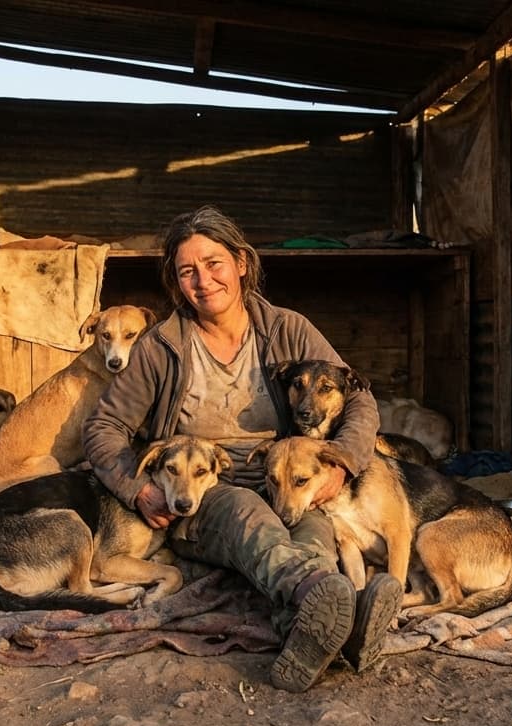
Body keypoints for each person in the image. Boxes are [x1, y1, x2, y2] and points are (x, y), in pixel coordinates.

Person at [82, 205, 402, 692]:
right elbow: (104, 426)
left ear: (241, 264)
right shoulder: (160, 345)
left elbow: (357, 398)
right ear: (176, 282)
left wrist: (345, 464)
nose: (203, 281)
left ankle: (314, 630)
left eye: (214, 264)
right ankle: (330, 612)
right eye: (187, 271)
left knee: (314, 525)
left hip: (282, 477)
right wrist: (137, 488)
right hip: (203, 489)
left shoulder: (286, 329)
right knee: (246, 513)